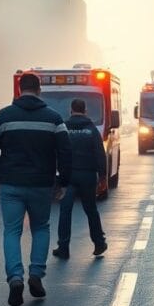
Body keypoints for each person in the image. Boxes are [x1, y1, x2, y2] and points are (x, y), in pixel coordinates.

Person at [0, 73, 72, 306]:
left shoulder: (3, 116)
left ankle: (15, 278)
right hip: (41, 185)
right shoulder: (54, 118)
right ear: (39, 89)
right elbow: (65, 151)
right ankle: (36, 275)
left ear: (19, 90)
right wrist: (63, 182)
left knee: (12, 231)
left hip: (11, 184)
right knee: (40, 228)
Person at [53, 98, 107, 259]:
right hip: (88, 176)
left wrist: (56, 176)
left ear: (71, 110)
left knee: (65, 211)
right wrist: (103, 177)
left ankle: (63, 248)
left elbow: (57, 152)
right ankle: (99, 243)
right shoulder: (91, 129)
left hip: (68, 176)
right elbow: (100, 154)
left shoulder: (64, 128)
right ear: (85, 111)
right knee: (91, 210)